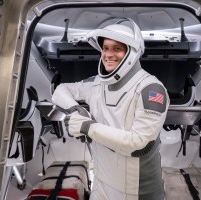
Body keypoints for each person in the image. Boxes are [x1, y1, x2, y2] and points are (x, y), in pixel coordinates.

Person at [52, 18, 169, 200]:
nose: (108, 54)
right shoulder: (97, 84)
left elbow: (139, 145)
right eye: (105, 48)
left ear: (132, 53)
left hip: (137, 192)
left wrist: (86, 127)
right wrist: (76, 111)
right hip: (101, 184)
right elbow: (61, 90)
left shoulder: (151, 88)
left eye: (117, 49)